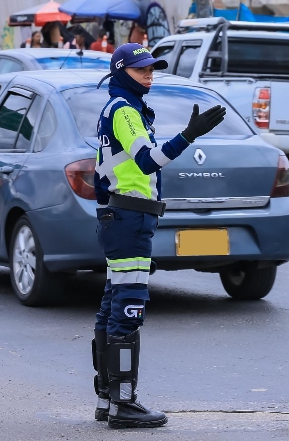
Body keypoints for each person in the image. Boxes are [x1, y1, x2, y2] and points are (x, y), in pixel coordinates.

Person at [90, 43, 226, 429]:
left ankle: (108, 399)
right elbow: (148, 160)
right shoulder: (124, 110)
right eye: (140, 69)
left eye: (152, 68)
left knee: (114, 302)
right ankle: (124, 404)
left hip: (122, 216)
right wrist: (189, 135)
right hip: (129, 217)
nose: (149, 74)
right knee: (128, 306)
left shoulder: (120, 108)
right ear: (121, 72)